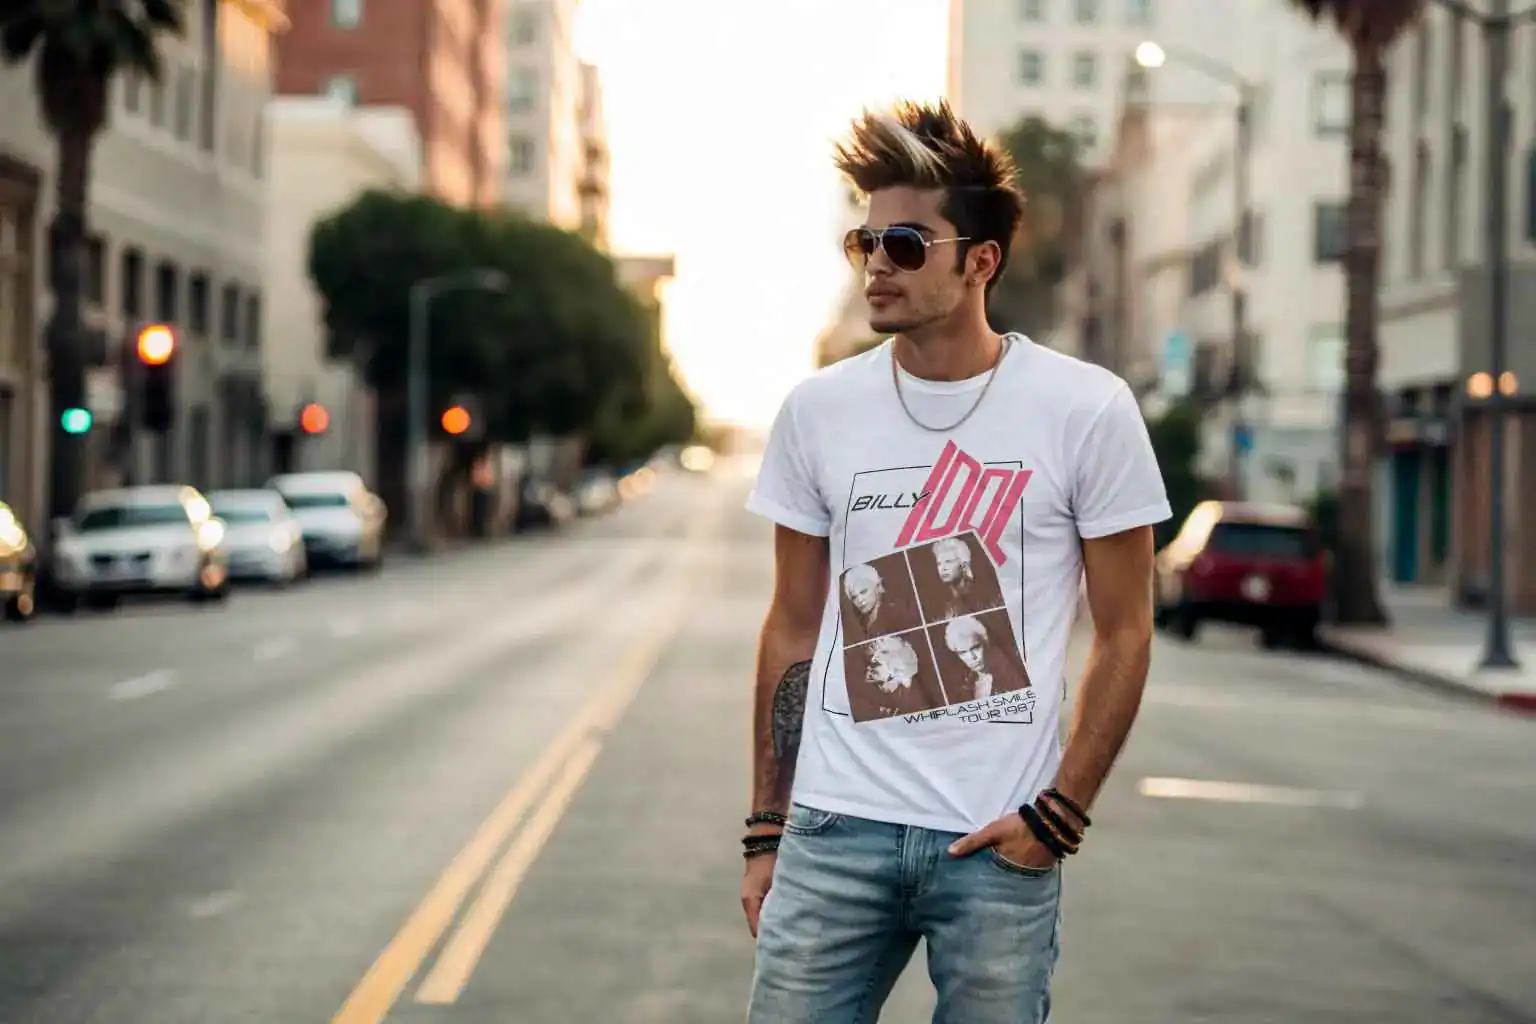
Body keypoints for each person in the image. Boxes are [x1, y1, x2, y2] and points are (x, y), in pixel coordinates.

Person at [739, 99, 1170, 1023]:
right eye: (865, 244)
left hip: (994, 845)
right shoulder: (818, 412)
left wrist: (1060, 817)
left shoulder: (1085, 409)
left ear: (982, 261)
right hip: (833, 831)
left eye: (905, 243)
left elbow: (1127, 629)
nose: (877, 266)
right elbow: (791, 622)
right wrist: (766, 827)